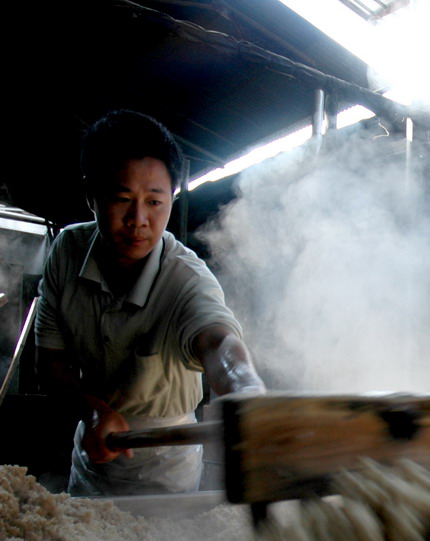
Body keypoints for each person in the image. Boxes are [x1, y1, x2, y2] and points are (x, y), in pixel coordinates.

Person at [34, 109, 265, 496]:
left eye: (155, 202)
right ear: (91, 194)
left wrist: (250, 394)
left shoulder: (184, 277)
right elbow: (50, 364)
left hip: (166, 471)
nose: (139, 219)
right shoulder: (68, 251)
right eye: (122, 199)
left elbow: (218, 342)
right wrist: (91, 410)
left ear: (172, 197)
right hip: (92, 459)